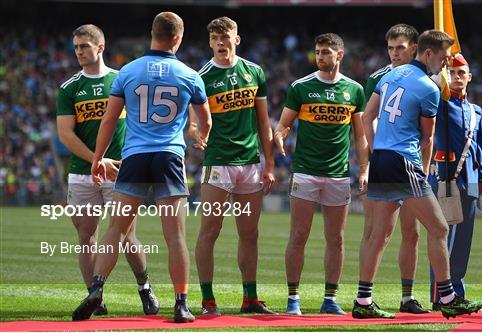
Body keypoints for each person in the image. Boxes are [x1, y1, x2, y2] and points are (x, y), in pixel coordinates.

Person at [71, 12, 212, 323]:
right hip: (169, 158)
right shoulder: (190, 75)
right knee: (175, 237)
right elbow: (205, 120)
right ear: (178, 38)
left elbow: (109, 120)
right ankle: (181, 303)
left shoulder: (128, 72)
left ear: (152, 33)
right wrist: (198, 135)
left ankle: (96, 289)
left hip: (134, 157)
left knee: (116, 230)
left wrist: (97, 158)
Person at [355, 29, 482, 319]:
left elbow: (367, 117)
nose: (444, 65)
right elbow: (427, 139)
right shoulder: (429, 88)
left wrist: (374, 153)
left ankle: (363, 302)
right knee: (439, 228)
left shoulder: (390, 75)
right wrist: (421, 167)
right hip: (405, 162)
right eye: (442, 58)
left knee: (379, 234)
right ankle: (448, 297)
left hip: (381, 159)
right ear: (428, 54)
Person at [57, 24, 159, 317]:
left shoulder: (123, 79)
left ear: (100, 47)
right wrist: (95, 159)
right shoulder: (69, 88)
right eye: (76, 47)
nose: (79, 52)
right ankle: (94, 297)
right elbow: (66, 134)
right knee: (86, 237)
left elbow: (142, 123)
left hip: (121, 171)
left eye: (85, 46)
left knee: (126, 235)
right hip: (83, 172)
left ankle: (145, 289)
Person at [274, 33, 366, 315]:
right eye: (317, 52)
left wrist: (364, 168)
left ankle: (330, 299)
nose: (320, 56)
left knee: (336, 239)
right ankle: (293, 299)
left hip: (338, 174)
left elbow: (360, 136)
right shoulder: (301, 87)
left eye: (326, 52)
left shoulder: (354, 90)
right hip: (305, 172)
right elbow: (283, 124)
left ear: (340, 55)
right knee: (299, 235)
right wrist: (280, 135)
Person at [193, 16, 276, 315]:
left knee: (250, 233)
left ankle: (250, 298)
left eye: (225, 36)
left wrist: (270, 165)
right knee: (209, 232)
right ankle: (207, 300)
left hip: (251, 165)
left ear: (236, 39)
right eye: (215, 38)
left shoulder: (254, 71)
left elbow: (264, 122)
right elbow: (193, 120)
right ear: (209, 42)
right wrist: (194, 132)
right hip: (218, 165)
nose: (221, 42)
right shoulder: (201, 77)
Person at [362, 24, 429, 314]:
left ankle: (407, 297)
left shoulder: (425, 80)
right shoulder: (377, 79)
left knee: (411, 233)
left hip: (410, 164)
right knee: (376, 232)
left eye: (400, 48)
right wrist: (373, 158)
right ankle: (364, 296)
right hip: (386, 163)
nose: (395, 53)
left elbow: (428, 131)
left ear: (414, 48)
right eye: (390, 48)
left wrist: (424, 167)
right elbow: (367, 120)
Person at [429, 54, 482, 310]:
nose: (457, 77)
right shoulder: (441, 104)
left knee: (463, 242)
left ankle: (457, 292)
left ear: (469, 76)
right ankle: (441, 296)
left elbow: (480, 152)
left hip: (471, 181)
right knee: (446, 239)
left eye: (461, 73)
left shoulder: (476, 111)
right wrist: (434, 80)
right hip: (448, 179)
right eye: (452, 73)